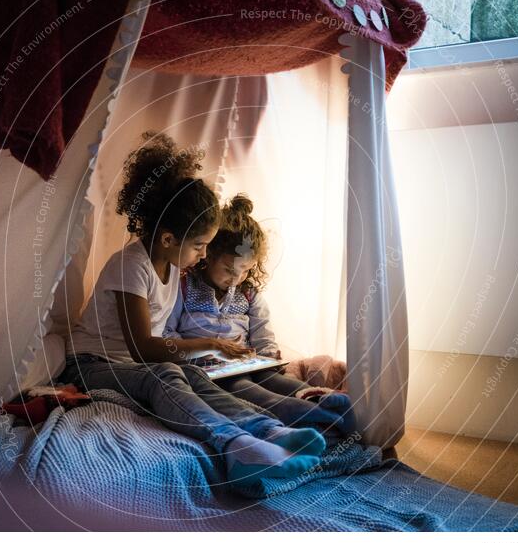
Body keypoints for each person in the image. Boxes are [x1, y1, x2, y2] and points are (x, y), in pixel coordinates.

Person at [57, 132, 325, 486]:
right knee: (165, 374)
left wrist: (203, 357)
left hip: (129, 364)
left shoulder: (171, 268)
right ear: (169, 239)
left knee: (194, 376)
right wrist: (209, 345)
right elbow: (142, 347)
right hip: (91, 365)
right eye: (200, 246)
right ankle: (233, 445)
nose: (202, 256)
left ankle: (267, 430)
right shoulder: (131, 266)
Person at [163, 194, 355, 437]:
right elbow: (167, 333)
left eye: (245, 270)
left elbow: (263, 334)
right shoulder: (184, 287)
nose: (236, 278)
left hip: (246, 363)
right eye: (229, 269)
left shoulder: (248, 294)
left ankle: (322, 397)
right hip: (208, 371)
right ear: (208, 255)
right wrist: (197, 353)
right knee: (248, 389)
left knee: (275, 381)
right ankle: (319, 418)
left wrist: (266, 359)